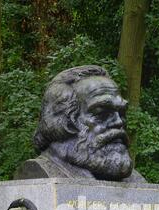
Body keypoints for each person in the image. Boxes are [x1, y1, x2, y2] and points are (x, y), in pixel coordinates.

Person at [15, 65, 144, 182]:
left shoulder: (135, 179)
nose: (119, 121)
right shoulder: (38, 173)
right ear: (65, 122)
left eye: (121, 112)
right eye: (102, 113)